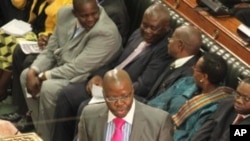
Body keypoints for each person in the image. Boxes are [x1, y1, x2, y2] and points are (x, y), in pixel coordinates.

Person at [51, 2, 173, 141]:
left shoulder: (165, 50)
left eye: (154, 28)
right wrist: (99, 75)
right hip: (108, 82)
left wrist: (112, 90)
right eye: (145, 25)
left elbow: (144, 85)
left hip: (123, 93)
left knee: (85, 107)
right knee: (67, 94)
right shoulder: (139, 34)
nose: (147, 31)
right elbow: (116, 60)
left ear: (166, 28)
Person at [20, 0, 122, 140]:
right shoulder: (64, 14)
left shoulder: (105, 31)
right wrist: (33, 71)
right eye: (85, 16)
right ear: (75, 13)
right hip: (63, 66)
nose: (91, 19)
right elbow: (50, 50)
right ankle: (43, 134)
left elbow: (77, 68)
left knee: (49, 87)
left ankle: (51, 136)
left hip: (88, 75)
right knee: (25, 75)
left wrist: (42, 76)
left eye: (94, 13)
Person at [77, 69, 174, 141]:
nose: (119, 103)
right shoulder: (89, 115)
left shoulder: (158, 122)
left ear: (132, 91)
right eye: (112, 98)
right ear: (103, 94)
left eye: (125, 96)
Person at [165, 53, 233, 141]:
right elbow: (158, 102)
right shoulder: (187, 82)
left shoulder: (215, 108)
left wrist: (165, 131)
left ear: (204, 76)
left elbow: (192, 137)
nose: (192, 69)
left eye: (196, 68)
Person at [146, 24, 202, 100]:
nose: (169, 40)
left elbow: (163, 102)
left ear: (180, 45)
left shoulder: (188, 76)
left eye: (172, 38)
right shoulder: (175, 60)